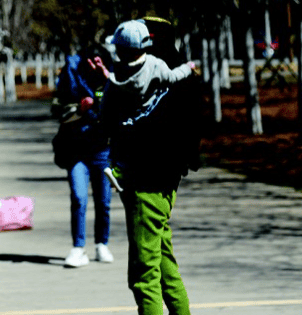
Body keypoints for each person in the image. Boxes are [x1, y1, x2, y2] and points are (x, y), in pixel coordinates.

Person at [100, 19, 198, 315]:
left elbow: (108, 120)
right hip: (165, 180)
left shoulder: (130, 77)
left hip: (144, 180)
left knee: (144, 275)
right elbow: (193, 130)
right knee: (163, 260)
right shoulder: (173, 75)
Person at [54, 47, 113, 268]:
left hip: (102, 151)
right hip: (76, 150)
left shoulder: (111, 77)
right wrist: (79, 109)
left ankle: (102, 244)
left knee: (103, 201)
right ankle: (78, 247)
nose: (93, 65)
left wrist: (106, 75)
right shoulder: (70, 81)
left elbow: (126, 102)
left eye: (98, 61)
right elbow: (56, 111)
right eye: (90, 61)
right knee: (79, 198)